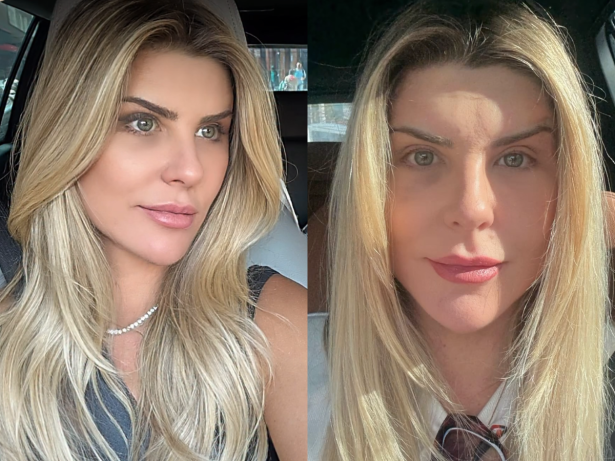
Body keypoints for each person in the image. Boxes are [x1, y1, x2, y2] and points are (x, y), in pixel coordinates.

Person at [0, 0, 307, 460]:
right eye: (143, 123)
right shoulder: (10, 321)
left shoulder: (275, 324)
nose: (190, 170)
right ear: (68, 133)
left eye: (210, 132)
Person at [308, 1, 613, 460]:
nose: (472, 209)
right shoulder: (288, 374)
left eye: (515, 159)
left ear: (569, 188)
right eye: (422, 157)